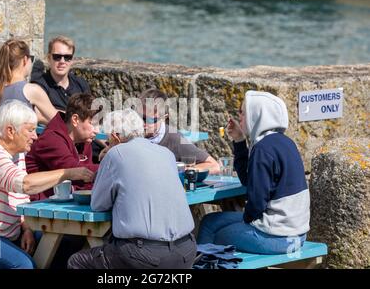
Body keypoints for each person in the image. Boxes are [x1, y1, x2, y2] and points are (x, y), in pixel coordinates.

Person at [0, 100, 94, 269]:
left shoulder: (16, 154)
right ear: (11, 131)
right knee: (23, 265)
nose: (35, 136)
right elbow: (25, 185)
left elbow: (20, 198)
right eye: (31, 130)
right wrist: (67, 172)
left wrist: (26, 228)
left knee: (66, 241)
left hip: (8, 234)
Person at [67, 109, 197, 269]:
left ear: (115, 136)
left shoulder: (115, 154)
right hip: (187, 251)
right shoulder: (166, 153)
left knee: (77, 262)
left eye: (108, 139)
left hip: (146, 256)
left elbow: (98, 204)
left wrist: (107, 158)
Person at [197, 91, 310, 254]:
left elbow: (256, 203)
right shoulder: (283, 142)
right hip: (296, 234)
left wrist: (246, 221)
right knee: (209, 221)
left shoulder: (263, 149)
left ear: (256, 114)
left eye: (243, 112)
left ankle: (201, 263)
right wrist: (239, 140)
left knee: (214, 233)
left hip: (277, 238)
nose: (239, 117)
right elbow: (248, 182)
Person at [30, 35, 105, 163]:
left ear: (72, 60)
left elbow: (91, 118)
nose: (62, 61)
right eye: (57, 56)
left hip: (85, 142)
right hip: (58, 144)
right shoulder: (39, 86)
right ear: (49, 58)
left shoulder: (80, 84)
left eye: (67, 57)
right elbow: (36, 115)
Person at [26, 93, 99, 200]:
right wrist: (113, 163)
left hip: (63, 207)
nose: (97, 130)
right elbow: (73, 170)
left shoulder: (84, 141)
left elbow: (87, 180)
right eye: (92, 123)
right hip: (36, 208)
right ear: (75, 120)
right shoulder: (50, 139)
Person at [0, 39, 58, 139]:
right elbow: (59, 121)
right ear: (25, 59)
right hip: (15, 153)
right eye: (31, 58)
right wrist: (38, 118)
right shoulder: (31, 90)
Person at [138, 88, 220, 174]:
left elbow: (214, 165)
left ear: (164, 118)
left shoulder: (175, 138)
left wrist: (180, 171)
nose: (142, 124)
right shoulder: (129, 133)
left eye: (150, 120)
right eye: (140, 117)